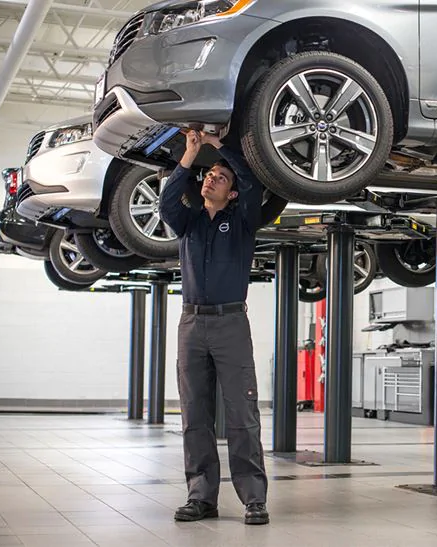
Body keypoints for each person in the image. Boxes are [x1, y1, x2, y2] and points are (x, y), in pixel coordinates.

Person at [158, 129, 269, 525]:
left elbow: (253, 182)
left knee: (242, 413)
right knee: (195, 415)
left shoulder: (242, 221)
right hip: (191, 324)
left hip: (231, 323)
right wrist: (190, 155)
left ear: (232, 194)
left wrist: (220, 147)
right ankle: (201, 497)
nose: (212, 178)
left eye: (221, 178)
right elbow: (167, 200)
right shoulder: (188, 222)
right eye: (209, 176)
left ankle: (254, 499)